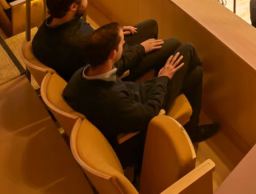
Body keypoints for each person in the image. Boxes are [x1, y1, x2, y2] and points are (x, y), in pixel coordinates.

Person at [63, 23, 219, 170]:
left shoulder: (81, 74)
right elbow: (150, 113)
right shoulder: (113, 98)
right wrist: (163, 79)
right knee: (188, 49)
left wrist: (140, 49)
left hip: (138, 93)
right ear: (112, 53)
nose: (124, 44)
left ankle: (191, 129)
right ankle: (192, 132)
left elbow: (71, 95)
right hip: (152, 106)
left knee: (196, 73)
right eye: (122, 43)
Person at [32, 0, 181, 82]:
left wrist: (115, 33)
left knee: (151, 25)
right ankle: (158, 83)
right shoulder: (80, 41)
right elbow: (110, 66)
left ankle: (151, 73)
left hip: (102, 55)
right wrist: (141, 48)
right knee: (173, 44)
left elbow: (91, 38)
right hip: (113, 71)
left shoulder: (47, 27)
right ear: (73, 6)